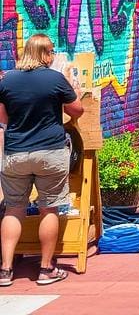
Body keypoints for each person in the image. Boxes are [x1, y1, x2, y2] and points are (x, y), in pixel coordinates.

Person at [0, 33, 85, 286]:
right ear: (45, 54)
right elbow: (77, 110)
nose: (52, 56)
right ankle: (46, 269)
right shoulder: (55, 79)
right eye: (51, 52)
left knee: (14, 209)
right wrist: (73, 94)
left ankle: (5, 270)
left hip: (16, 153)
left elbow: (2, 118)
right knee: (49, 207)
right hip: (50, 151)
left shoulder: (7, 80)